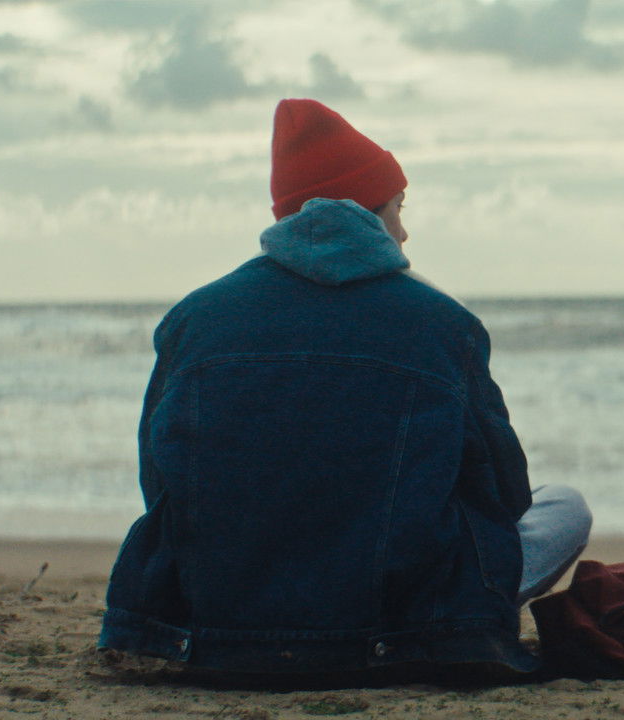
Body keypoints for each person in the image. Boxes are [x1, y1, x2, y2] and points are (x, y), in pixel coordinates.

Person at [98, 99, 591, 678]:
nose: (404, 231)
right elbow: (507, 494)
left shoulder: (192, 318)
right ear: (369, 211)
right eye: (399, 207)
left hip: (220, 623)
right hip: (396, 628)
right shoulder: (442, 322)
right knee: (565, 507)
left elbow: (158, 483)